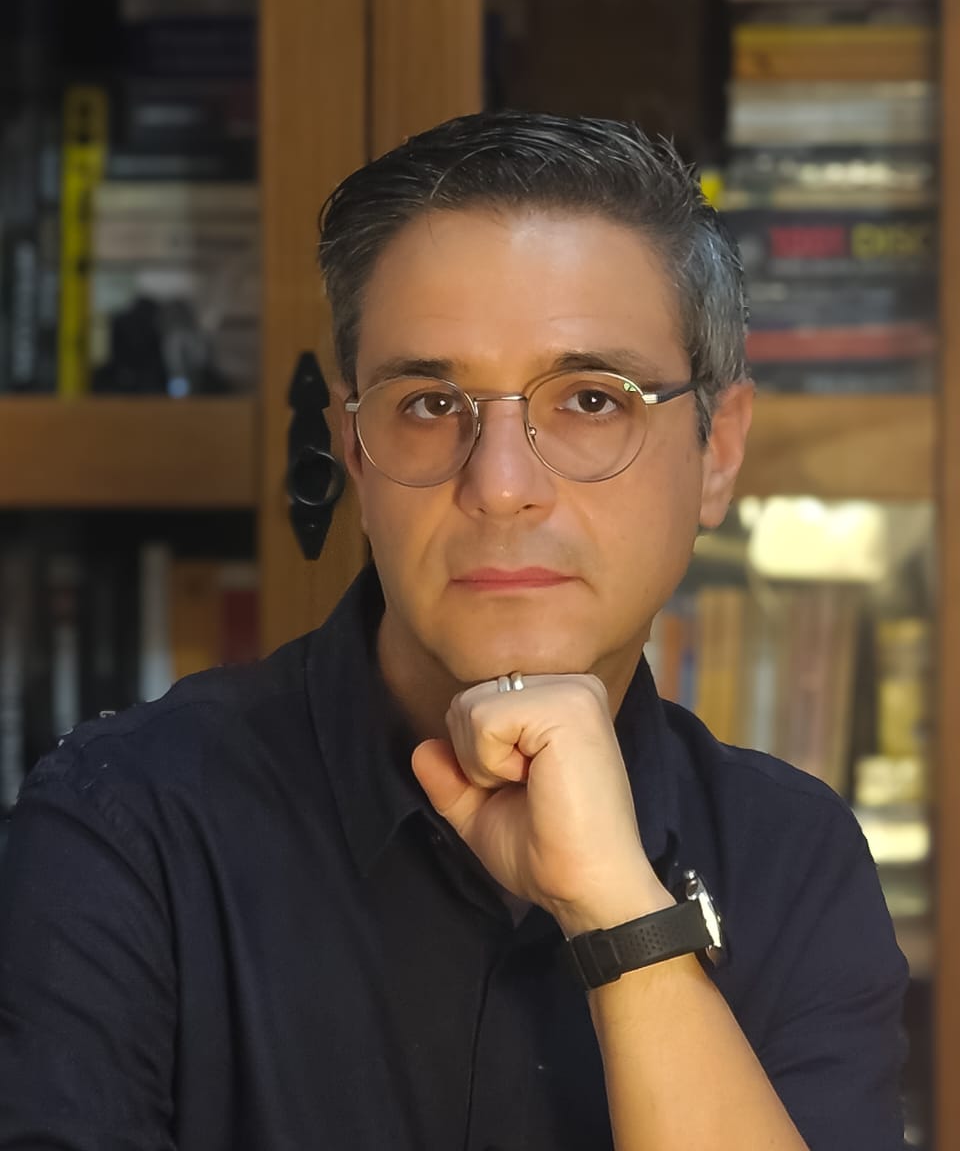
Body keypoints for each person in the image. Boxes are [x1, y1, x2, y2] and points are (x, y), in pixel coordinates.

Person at [0, 112, 907, 1151]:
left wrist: (621, 916)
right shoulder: (126, 826)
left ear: (718, 451)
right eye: (431, 403)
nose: (501, 484)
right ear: (354, 451)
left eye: (590, 400)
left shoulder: (794, 858)